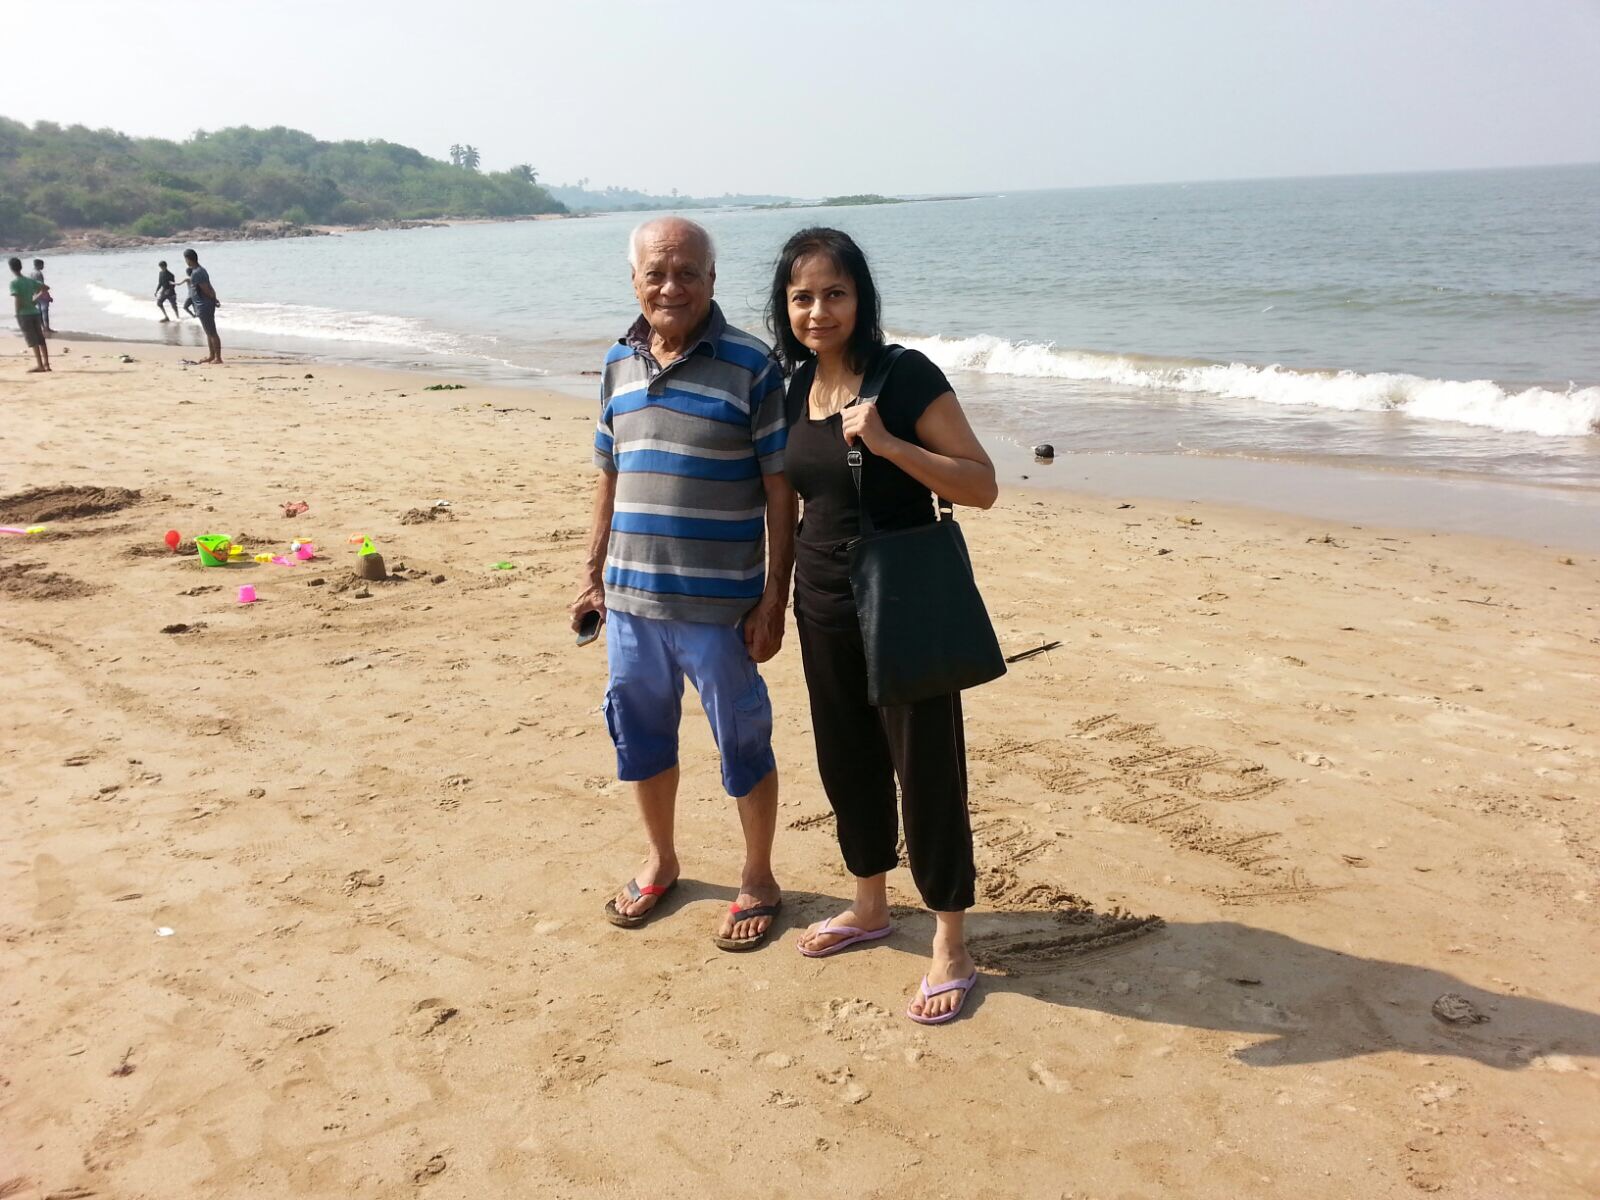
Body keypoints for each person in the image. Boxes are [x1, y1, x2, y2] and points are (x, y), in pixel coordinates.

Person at [769, 228, 998, 1024]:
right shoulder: (793, 385)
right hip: (822, 600)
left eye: (835, 293)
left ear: (861, 298)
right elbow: (787, 503)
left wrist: (889, 443)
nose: (818, 311)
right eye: (802, 297)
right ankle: (869, 905)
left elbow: (981, 485)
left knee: (926, 768)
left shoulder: (905, 376)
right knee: (847, 758)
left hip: (901, 602)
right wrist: (773, 597)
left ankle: (952, 944)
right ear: (785, 307)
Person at [570, 217, 796, 951]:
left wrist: (774, 600)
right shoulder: (617, 362)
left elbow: (781, 493)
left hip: (721, 609)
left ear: (711, 280)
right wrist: (592, 577)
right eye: (657, 273)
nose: (672, 287)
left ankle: (758, 877)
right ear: (635, 280)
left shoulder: (753, 365)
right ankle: (661, 860)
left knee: (743, 740)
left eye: (688, 273)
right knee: (639, 737)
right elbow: (608, 477)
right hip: (631, 604)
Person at [9, 257, 50, 372]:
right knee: (41, 339)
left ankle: (40, 365)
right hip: (35, 312)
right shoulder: (29, 281)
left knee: (33, 340)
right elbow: (46, 288)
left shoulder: (14, 283)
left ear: (11, 269)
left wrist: (17, 313)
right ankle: (46, 364)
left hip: (24, 314)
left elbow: (17, 299)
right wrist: (35, 299)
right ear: (21, 267)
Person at [182, 248, 222, 362]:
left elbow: (206, 289)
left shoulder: (197, 273)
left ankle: (218, 358)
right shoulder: (201, 270)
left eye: (185, 259)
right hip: (203, 304)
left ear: (188, 259)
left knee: (212, 332)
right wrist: (214, 298)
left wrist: (213, 299)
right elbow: (209, 287)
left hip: (204, 306)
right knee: (208, 332)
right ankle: (212, 355)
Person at [30, 259, 50, 334]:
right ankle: (47, 328)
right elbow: (42, 285)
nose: (43, 266)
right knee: (45, 311)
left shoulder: (31, 273)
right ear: (39, 265)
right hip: (41, 293)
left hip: (35, 294)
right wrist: (47, 295)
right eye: (42, 265)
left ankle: (43, 327)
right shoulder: (38, 273)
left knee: (39, 312)